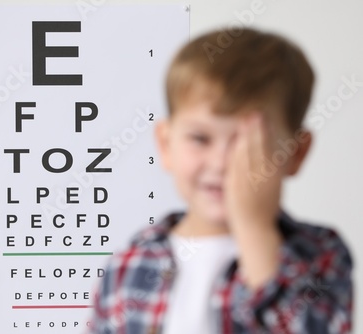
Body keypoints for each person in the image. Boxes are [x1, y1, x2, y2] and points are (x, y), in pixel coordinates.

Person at [86, 27, 353, 334]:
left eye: (247, 145)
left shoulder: (320, 252)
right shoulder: (129, 263)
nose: (222, 163)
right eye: (200, 138)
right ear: (165, 145)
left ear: (296, 154)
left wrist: (253, 227)